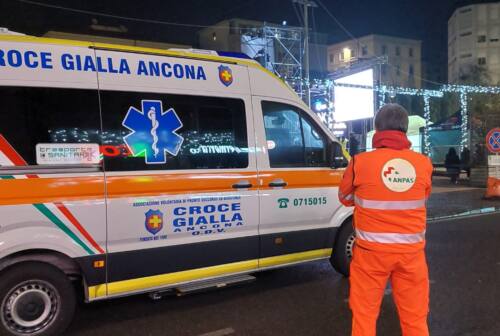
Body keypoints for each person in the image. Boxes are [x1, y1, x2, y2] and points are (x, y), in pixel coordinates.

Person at [338, 104, 433, 336]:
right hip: (411, 256)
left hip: (371, 255)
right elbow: (423, 196)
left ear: (377, 128)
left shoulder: (359, 163)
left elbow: (345, 198)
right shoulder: (423, 164)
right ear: (405, 128)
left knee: (364, 317)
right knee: (415, 319)